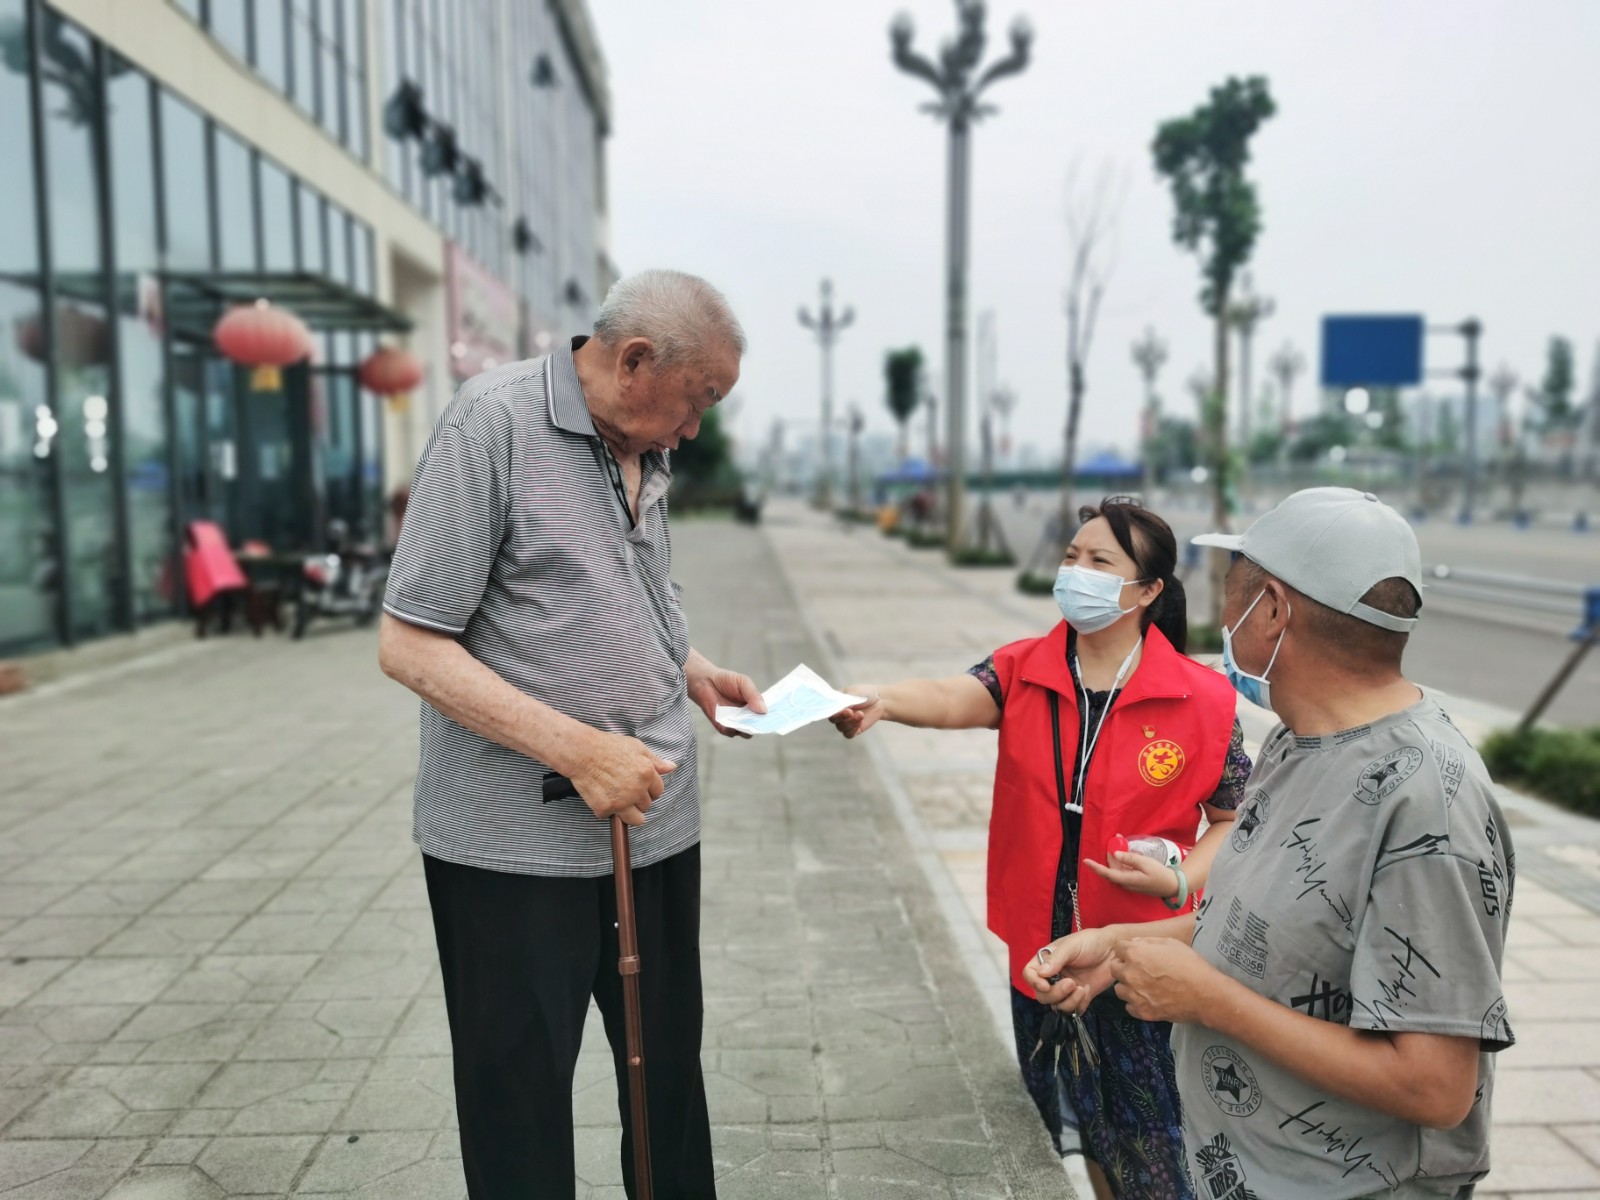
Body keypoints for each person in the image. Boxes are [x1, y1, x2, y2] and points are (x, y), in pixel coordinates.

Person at [378, 269, 765, 1200]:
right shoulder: (492, 425)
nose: (695, 429)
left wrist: (692, 669)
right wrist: (578, 750)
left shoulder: (644, 443)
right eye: (698, 399)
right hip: (511, 848)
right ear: (635, 361)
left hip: (653, 823)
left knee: (667, 1083)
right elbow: (410, 644)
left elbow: (627, 590)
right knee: (517, 1095)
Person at [1026, 487, 1515, 1200]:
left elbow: (1435, 1086)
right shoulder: (1296, 741)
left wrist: (1207, 1000)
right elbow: (1267, 920)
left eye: (1232, 593)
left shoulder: (1427, 807)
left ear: (1273, 612)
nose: (1223, 618)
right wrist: (1121, 946)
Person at [832, 496, 1251, 1198]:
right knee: (1074, 1120)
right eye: (1071, 556)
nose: (1076, 571)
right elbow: (952, 696)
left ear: (1148, 591)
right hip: (1042, 956)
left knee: (1154, 1143)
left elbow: (1235, 821)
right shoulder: (1024, 669)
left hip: (1141, 957)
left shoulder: (1202, 700)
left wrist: (1179, 880)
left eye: (1099, 561)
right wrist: (883, 698)